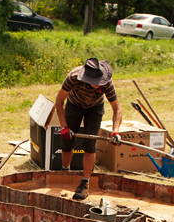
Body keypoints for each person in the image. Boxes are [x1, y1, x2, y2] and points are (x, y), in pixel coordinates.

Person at [53, 58, 123, 201]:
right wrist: (64, 126)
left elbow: (117, 108)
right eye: (95, 82)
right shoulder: (73, 78)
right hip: (74, 105)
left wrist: (115, 131)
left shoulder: (106, 82)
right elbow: (59, 101)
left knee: (90, 145)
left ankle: (85, 183)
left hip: (95, 109)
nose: (98, 84)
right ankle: (65, 171)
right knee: (67, 142)